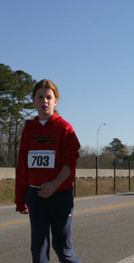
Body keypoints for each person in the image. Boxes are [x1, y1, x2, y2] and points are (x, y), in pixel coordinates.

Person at [14, 79, 81, 263]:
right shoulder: (29, 129)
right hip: (35, 197)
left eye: (48, 97)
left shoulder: (64, 128)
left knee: (62, 246)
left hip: (60, 195)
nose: (44, 101)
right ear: (34, 100)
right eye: (40, 97)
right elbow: (23, 166)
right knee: (38, 248)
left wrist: (54, 185)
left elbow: (70, 163)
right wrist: (21, 199)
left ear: (55, 101)